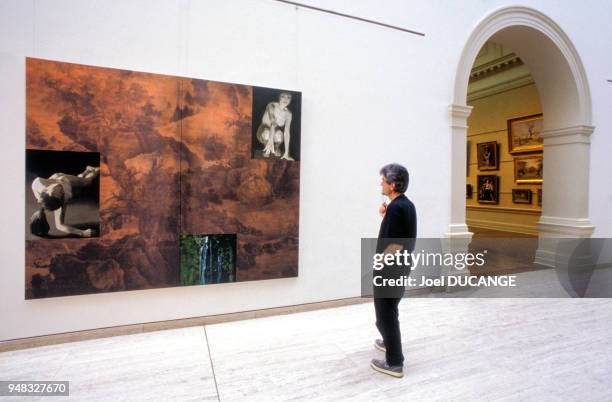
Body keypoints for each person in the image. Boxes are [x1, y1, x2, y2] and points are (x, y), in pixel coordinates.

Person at [371, 163, 417, 378]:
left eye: (383, 180)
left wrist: (379, 265)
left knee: (385, 315)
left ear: (392, 185)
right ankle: (389, 340)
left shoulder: (396, 208)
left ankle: (394, 362)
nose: (380, 183)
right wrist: (386, 215)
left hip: (390, 269)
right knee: (390, 310)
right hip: (401, 267)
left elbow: (395, 244)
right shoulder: (404, 205)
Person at [30, 165, 100, 238]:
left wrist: (41, 208)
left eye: (56, 191)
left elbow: (40, 196)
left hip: (62, 179)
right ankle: (86, 171)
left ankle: (98, 169)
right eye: (61, 193)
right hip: (67, 185)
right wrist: (82, 232)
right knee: (79, 188)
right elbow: (59, 225)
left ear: (48, 192)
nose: (60, 190)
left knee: (87, 182)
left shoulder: (37, 183)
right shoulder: (63, 199)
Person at [255, 92, 294, 160]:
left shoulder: (288, 114)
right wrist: (270, 140)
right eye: (283, 96)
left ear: (290, 100)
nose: (286, 99)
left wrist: (286, 153)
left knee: (280, 135)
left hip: (275, 131)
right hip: (263, 130)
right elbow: (273, 122)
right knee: (266, 133)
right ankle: (267, 147)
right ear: (279, 98)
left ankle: (276, 147)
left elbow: (287, 132)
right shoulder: (271, 105)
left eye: (288, 97)